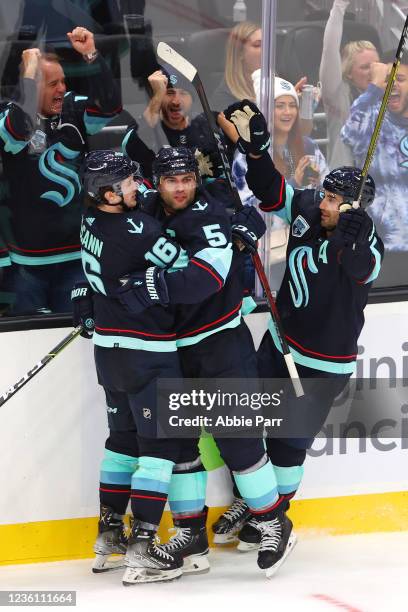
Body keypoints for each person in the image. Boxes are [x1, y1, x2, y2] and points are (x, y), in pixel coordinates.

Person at [213, 101, 384, 567]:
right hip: (280, 340)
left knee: (288, 446)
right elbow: (271, 193)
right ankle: (253, 500)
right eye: (325, 195)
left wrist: (353, 235)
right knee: (249, 428)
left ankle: (275, 518)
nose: (325, 203)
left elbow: (363, 267)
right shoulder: (311, 207)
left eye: (335, 200)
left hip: (323, 363)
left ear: (357, 208)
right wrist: (258, 149)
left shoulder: (365, 240)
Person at [73, 148, 242, 584]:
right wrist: (229, 232)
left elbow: (96, 268)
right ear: (109, 192)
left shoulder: (91, 219)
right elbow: (193, 271)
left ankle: (109, 532)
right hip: (147, 350)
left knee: (122, 441)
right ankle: (143, 545)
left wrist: (86, 298)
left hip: (109, 351)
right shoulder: (139, 228)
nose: (138, 187)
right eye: (129, 183)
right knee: (162, 448)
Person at [133, 145, 295, 578]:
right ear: (158, 182)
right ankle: (191, 535)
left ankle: (273, 519)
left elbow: (204, 281)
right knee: (181, 448)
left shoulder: (207, 214)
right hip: (173, 347)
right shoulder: (147, 208)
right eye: (172, 181)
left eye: (188, 179)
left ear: (196, 180)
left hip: (221, 343)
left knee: (237, 441)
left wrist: (151, 287)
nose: (181, 187)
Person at [0, 27, 122, 315]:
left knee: (76, 335)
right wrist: (28, 74)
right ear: (31, 86)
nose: (62, 89)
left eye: (63, 81)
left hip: (75, 257)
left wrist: (92, 56)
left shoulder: (72, 110)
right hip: (26, 266)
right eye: (53, 83)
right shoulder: (8, 116)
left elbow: (109, 107)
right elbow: (21, 128)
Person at [341, 50, 408, 251]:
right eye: (387, 80)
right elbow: (349, 134)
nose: (393, 84)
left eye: (401, 79)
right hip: (380, 246)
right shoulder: (372, 118)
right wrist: (373, 90)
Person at [122, 67, 224, 180]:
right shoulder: (142, 126)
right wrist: (157, 95)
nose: (176, 101)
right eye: (169, 93)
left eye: (183, 93)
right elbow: (132, 152)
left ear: (192, 98)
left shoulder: (207, 124)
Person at [319, 0, 380, 168]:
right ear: (349, 73)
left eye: (376, 65)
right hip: (345, 186)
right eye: (365, 67)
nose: (373, 71)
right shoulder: (339, 94)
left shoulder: (390, 96)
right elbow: (329, 50)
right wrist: (339, 6)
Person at [210, 21, 262, 112]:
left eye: (268, 45)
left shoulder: (275, 85)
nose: (266, 50)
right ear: (240, 53)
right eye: (257, 45)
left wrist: (290, 101)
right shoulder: (224, 99)